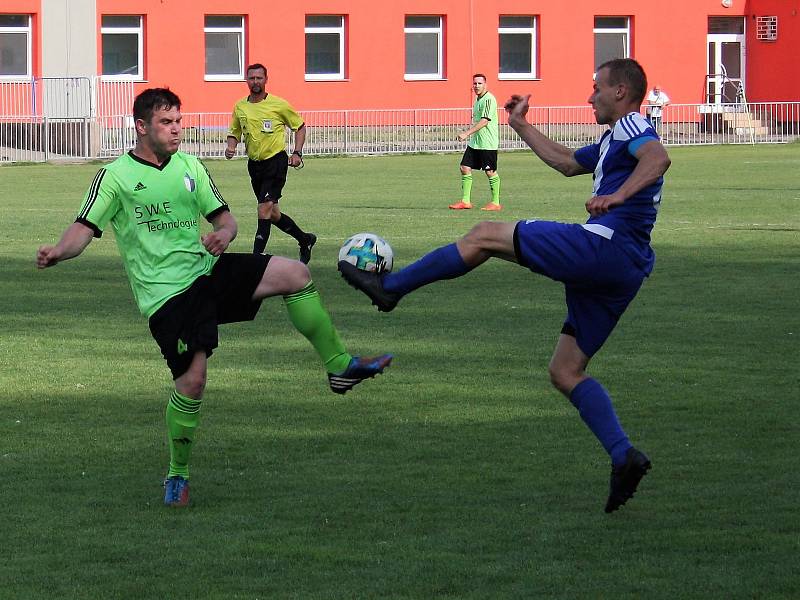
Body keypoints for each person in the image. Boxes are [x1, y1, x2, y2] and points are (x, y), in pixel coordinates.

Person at [339, 58, 670, 513]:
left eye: (597, 88)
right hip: (624, 268)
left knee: (484, 235)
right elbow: (567, 162)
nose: (589, 95)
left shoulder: (634, 123)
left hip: (606, 247)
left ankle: (391, 287)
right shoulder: (614, 135)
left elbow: (658, 158)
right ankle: (623, 455)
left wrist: (618, 195)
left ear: (621, 92)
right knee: (565, 370)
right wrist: (519, 124)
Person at [37, 88, 392, 508]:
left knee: (296, 273)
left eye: (179, 121)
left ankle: (340, 367)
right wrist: (59, 251)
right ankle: (177, 475)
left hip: (209, 270)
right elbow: (83, 228)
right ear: (141, 127)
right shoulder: (114, 177)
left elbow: (225, 218)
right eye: (167, 123)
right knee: (193, 381)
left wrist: (224, 234)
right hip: (168, 295)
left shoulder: (190, 166)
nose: (176, 130)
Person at [225, 63, 317, 263]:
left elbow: (299, 127)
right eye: (252, 78)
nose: (255, 82)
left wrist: (297, 152)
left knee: (263, 208)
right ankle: (305, 239)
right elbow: (235, 131)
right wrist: (231, 146)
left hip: (275, 162)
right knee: (273, 213)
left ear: (266, 80)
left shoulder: (279, 104)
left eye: (259, 78)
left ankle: (256, 259)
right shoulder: (240, 106)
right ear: (246, 80)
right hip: (254, 165)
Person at [449, 74, 502, 211]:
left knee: (490, 171)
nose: (476, 86)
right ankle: (465, 201)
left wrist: (466, 133)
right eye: (475, 83)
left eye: (479, 83)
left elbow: (484, 121)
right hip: (476, 142)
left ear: (485, 84)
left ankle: (495, 203)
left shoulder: (489, 99)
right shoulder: (478, 100)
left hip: (487, 142)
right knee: (464, 167)